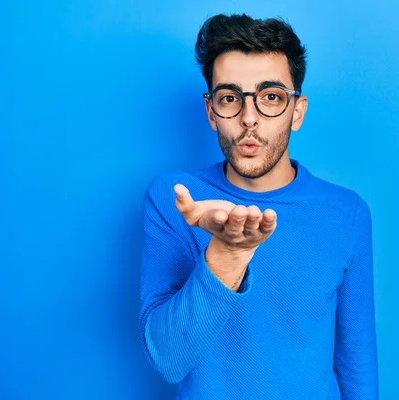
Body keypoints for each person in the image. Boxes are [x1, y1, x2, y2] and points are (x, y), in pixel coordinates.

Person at [139, 13, 378, 400]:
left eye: (270, 97)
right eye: (230, 98)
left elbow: (357, 362)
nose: (249, 119)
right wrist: (226, 256)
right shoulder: (175, 199)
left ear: (296, 111)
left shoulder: (346, 213)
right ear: (211, 112)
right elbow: (168, 360)